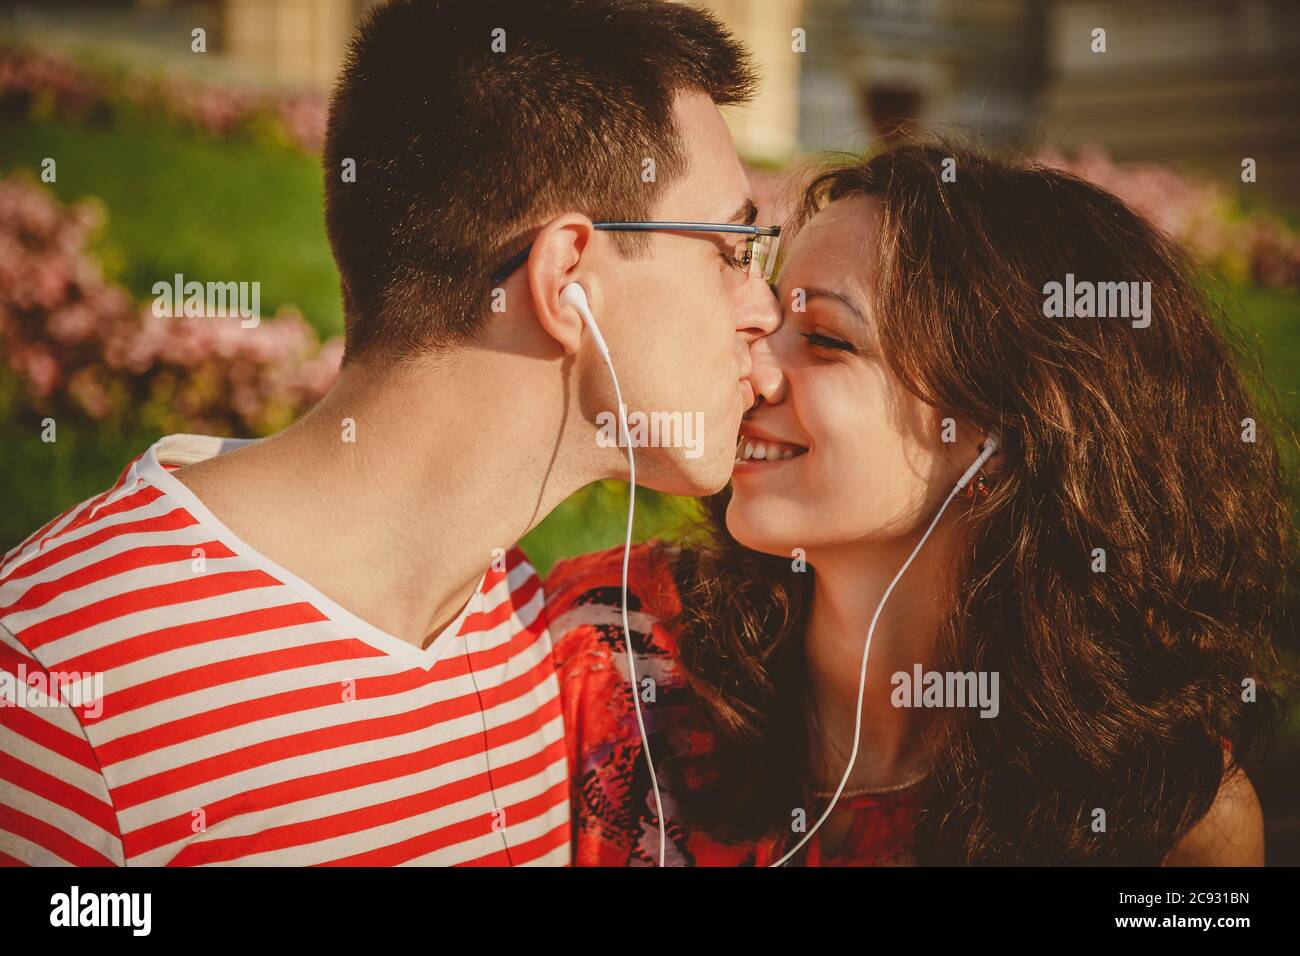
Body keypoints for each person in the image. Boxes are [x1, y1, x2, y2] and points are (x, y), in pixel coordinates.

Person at [0, 0, 780, 866]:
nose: (765, 311)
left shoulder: (530, 635)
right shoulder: (64, 681)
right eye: (734, 249)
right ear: (568, 281)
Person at [546, 142, 1293, 866]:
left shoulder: (1163, 814)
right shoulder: (601, 648)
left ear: (1003, 435)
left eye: (828, 340)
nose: (753, 370)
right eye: (771, 321)